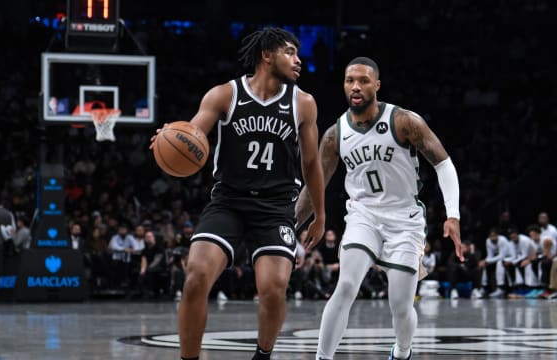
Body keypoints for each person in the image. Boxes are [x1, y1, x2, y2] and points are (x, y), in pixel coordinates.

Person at [150, 27, 326, 360]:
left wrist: (320, 215)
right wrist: (169, 136)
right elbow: (193, 134)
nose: (298, 60)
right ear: (267, 55)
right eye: (290, 52)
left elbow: (312, 164)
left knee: (274, 290)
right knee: (195, 277)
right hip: (228, 202)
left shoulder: (303, 103)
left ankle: (262, 356)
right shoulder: (224, 95)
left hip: (275, 207)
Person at [294, 57, 462, 360]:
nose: (355, 86)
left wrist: (453, 215)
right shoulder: (335, 134)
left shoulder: (404, 121)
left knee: (400, 305)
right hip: (363, 216)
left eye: (363, 80)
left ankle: (402, 351)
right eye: (349, 80)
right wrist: (287, 224)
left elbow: (444, 164)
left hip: (404, 219)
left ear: (377, 85)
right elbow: (315, 185)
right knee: (345, 285)